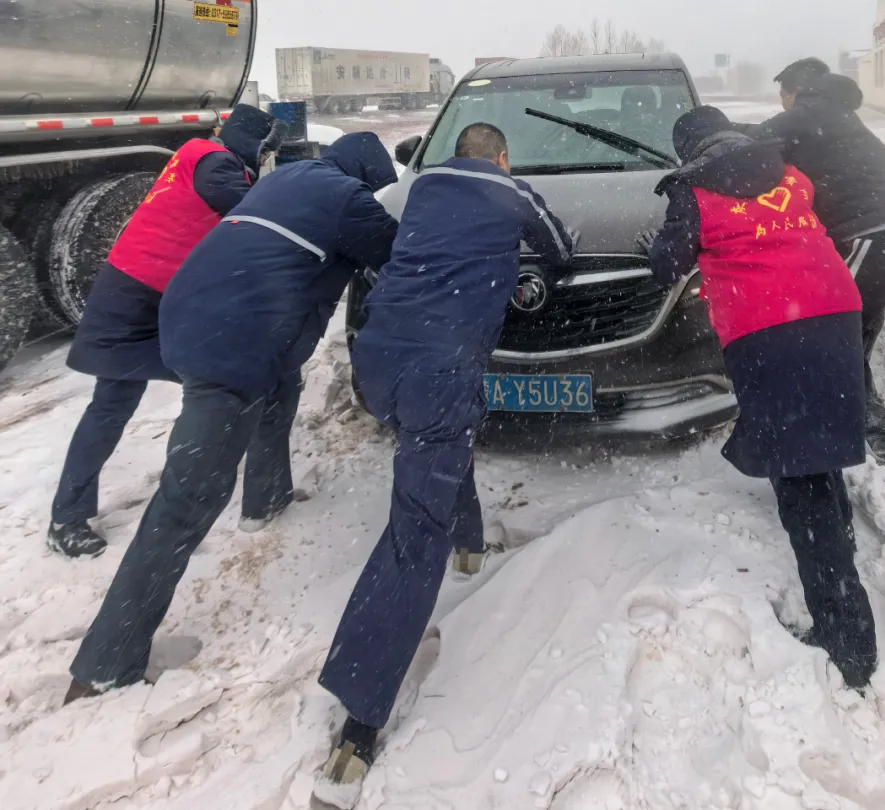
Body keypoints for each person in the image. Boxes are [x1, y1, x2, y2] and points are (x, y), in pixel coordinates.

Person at [64, 132, 399, 704]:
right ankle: (105, 663)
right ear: (366, 175)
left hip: (196, 314)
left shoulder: (287, 179)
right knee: (188, 496)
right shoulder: (348, 198)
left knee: (279, 388)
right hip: (231, 342)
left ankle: (266, 498)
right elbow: (396, 249)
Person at [316, 123, 575, 791]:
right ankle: (360, 718)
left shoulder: (418, 185)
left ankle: (471, 540)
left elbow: (382, 249)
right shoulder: (513, 191)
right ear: (503, 154)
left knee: (436, 443)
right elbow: (561, 249)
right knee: (412, 533)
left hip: (377, 357)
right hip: (440, 368)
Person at [644, 106, 877, 690]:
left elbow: (666, 265)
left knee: (798, 478)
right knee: (817, 451)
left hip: (768, 324)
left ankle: (847, 641)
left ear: (688, 148)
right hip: (833, 308)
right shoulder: (789, 172)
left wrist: (657, 244)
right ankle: (841, 565)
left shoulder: (693, 192)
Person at [47, 104, 285, 559]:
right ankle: (74, 517)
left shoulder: (203, 155)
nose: (267, 154)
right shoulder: (219, 166)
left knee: (125, 402)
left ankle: (77, 512)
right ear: (251, 141)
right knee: (200, 388)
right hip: (135, 300)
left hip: (146, 292)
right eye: (266, 145)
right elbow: (259, 212)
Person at [734, 58, 885, 464]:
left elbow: (752, 144)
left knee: (830, 335)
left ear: (797, 91)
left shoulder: (812, 113)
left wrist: (714, 133)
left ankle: (869, 439)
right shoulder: (837, 117)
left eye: (783, 95)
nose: (783, 104)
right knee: (850, 336)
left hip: (875, 240)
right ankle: (867, 428)